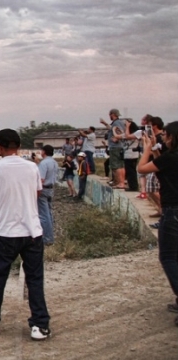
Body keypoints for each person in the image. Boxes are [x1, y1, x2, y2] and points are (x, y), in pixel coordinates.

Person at [0, 128, 50, 341]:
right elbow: (37, 192)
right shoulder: (32, 167)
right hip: (32, 231)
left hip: (5, 232)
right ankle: (39, 325)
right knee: (35, 279)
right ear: (18, 146)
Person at [137, 121, 178, 326]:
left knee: (169, 257)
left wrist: (146, 149)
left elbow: (142, 168)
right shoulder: (168, 159)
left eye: (166, 137)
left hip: (173, 212)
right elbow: (162, 168)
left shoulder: (171, 158)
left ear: (171, 137)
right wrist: (154, 151)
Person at [101, 108, 128, 189]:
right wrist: (105, 123)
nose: (109, 116)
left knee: (116, 166)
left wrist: (117, 138)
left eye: (110, 114)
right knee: (120, 165)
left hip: (115, 147)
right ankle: (120, 182)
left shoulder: (116, 123)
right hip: (119, 147)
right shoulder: (119, 123)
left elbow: (120, 133)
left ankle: (120, 182)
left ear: (113, 114)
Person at [37, 145, 58, 246]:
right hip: (51, 189)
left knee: (43, 215)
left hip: (44, 189)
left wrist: (37, 191)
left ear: (44, 152)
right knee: (48, 213)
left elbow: (41, 179)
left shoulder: (44, 163)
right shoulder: (54, 162)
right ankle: (50, 234)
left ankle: (47, 238)